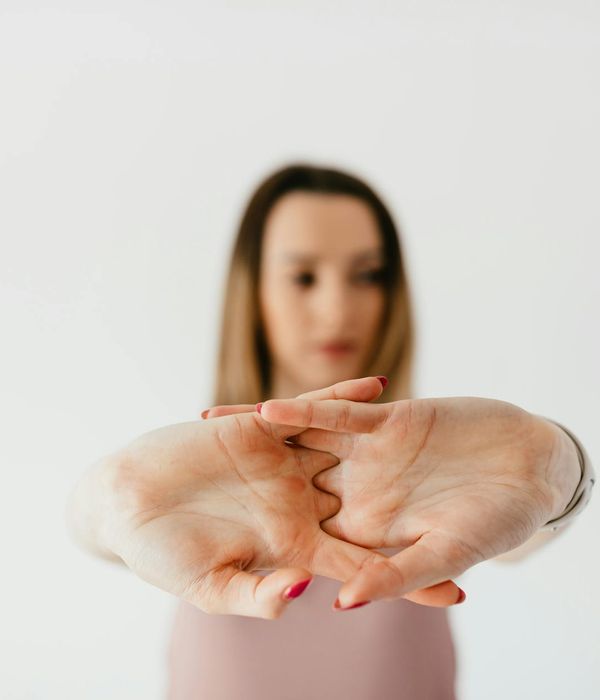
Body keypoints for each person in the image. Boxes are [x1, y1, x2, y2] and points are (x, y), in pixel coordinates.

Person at [67, 163, 594, 699]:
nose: (338, 309)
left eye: (367, 275)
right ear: (253, 292)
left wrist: (558, 462)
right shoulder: (189, 472)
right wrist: (112, 494)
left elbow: (518, 534)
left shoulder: (435, 467)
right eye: (303, 278)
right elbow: (98, 529)